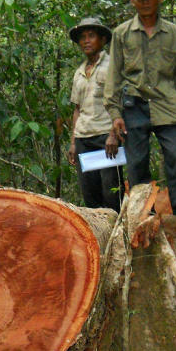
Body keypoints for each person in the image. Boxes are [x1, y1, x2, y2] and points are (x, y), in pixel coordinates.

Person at [104, 0, 176, 216]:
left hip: (167, 104)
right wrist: (115, 113)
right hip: (134, 105)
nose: (145, 2)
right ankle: (143, 216)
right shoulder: (122, 34)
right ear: (133, 2)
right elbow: (114, 75)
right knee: (136, 164)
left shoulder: (173, 33)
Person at [66, 17, 124, 212]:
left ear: (102, 40)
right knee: (90, 196)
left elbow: (120, 103)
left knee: (112, 194)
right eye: (82, 37)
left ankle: (119, 238)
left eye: (91, 36)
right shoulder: (79, 72)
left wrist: (113, 135)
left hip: (106, 139)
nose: (86, 41)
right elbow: (77, 109)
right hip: (84, 139)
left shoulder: (112, 68)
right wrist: (74, 142)